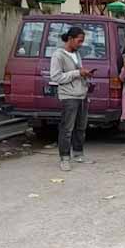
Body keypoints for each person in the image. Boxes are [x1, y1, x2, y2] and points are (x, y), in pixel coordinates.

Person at [50, 26, 95, 172]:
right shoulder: (58, 55)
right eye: (79, 41)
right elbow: (56, 77)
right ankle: (64, 158)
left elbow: (78, 72)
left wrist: (85, 74)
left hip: (82, 93)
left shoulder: (77, 54)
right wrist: (77, 73)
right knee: (67, 128)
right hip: (68, 96)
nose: (80, 44)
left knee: (81, 127)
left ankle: (78, 153)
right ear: (70, 39)